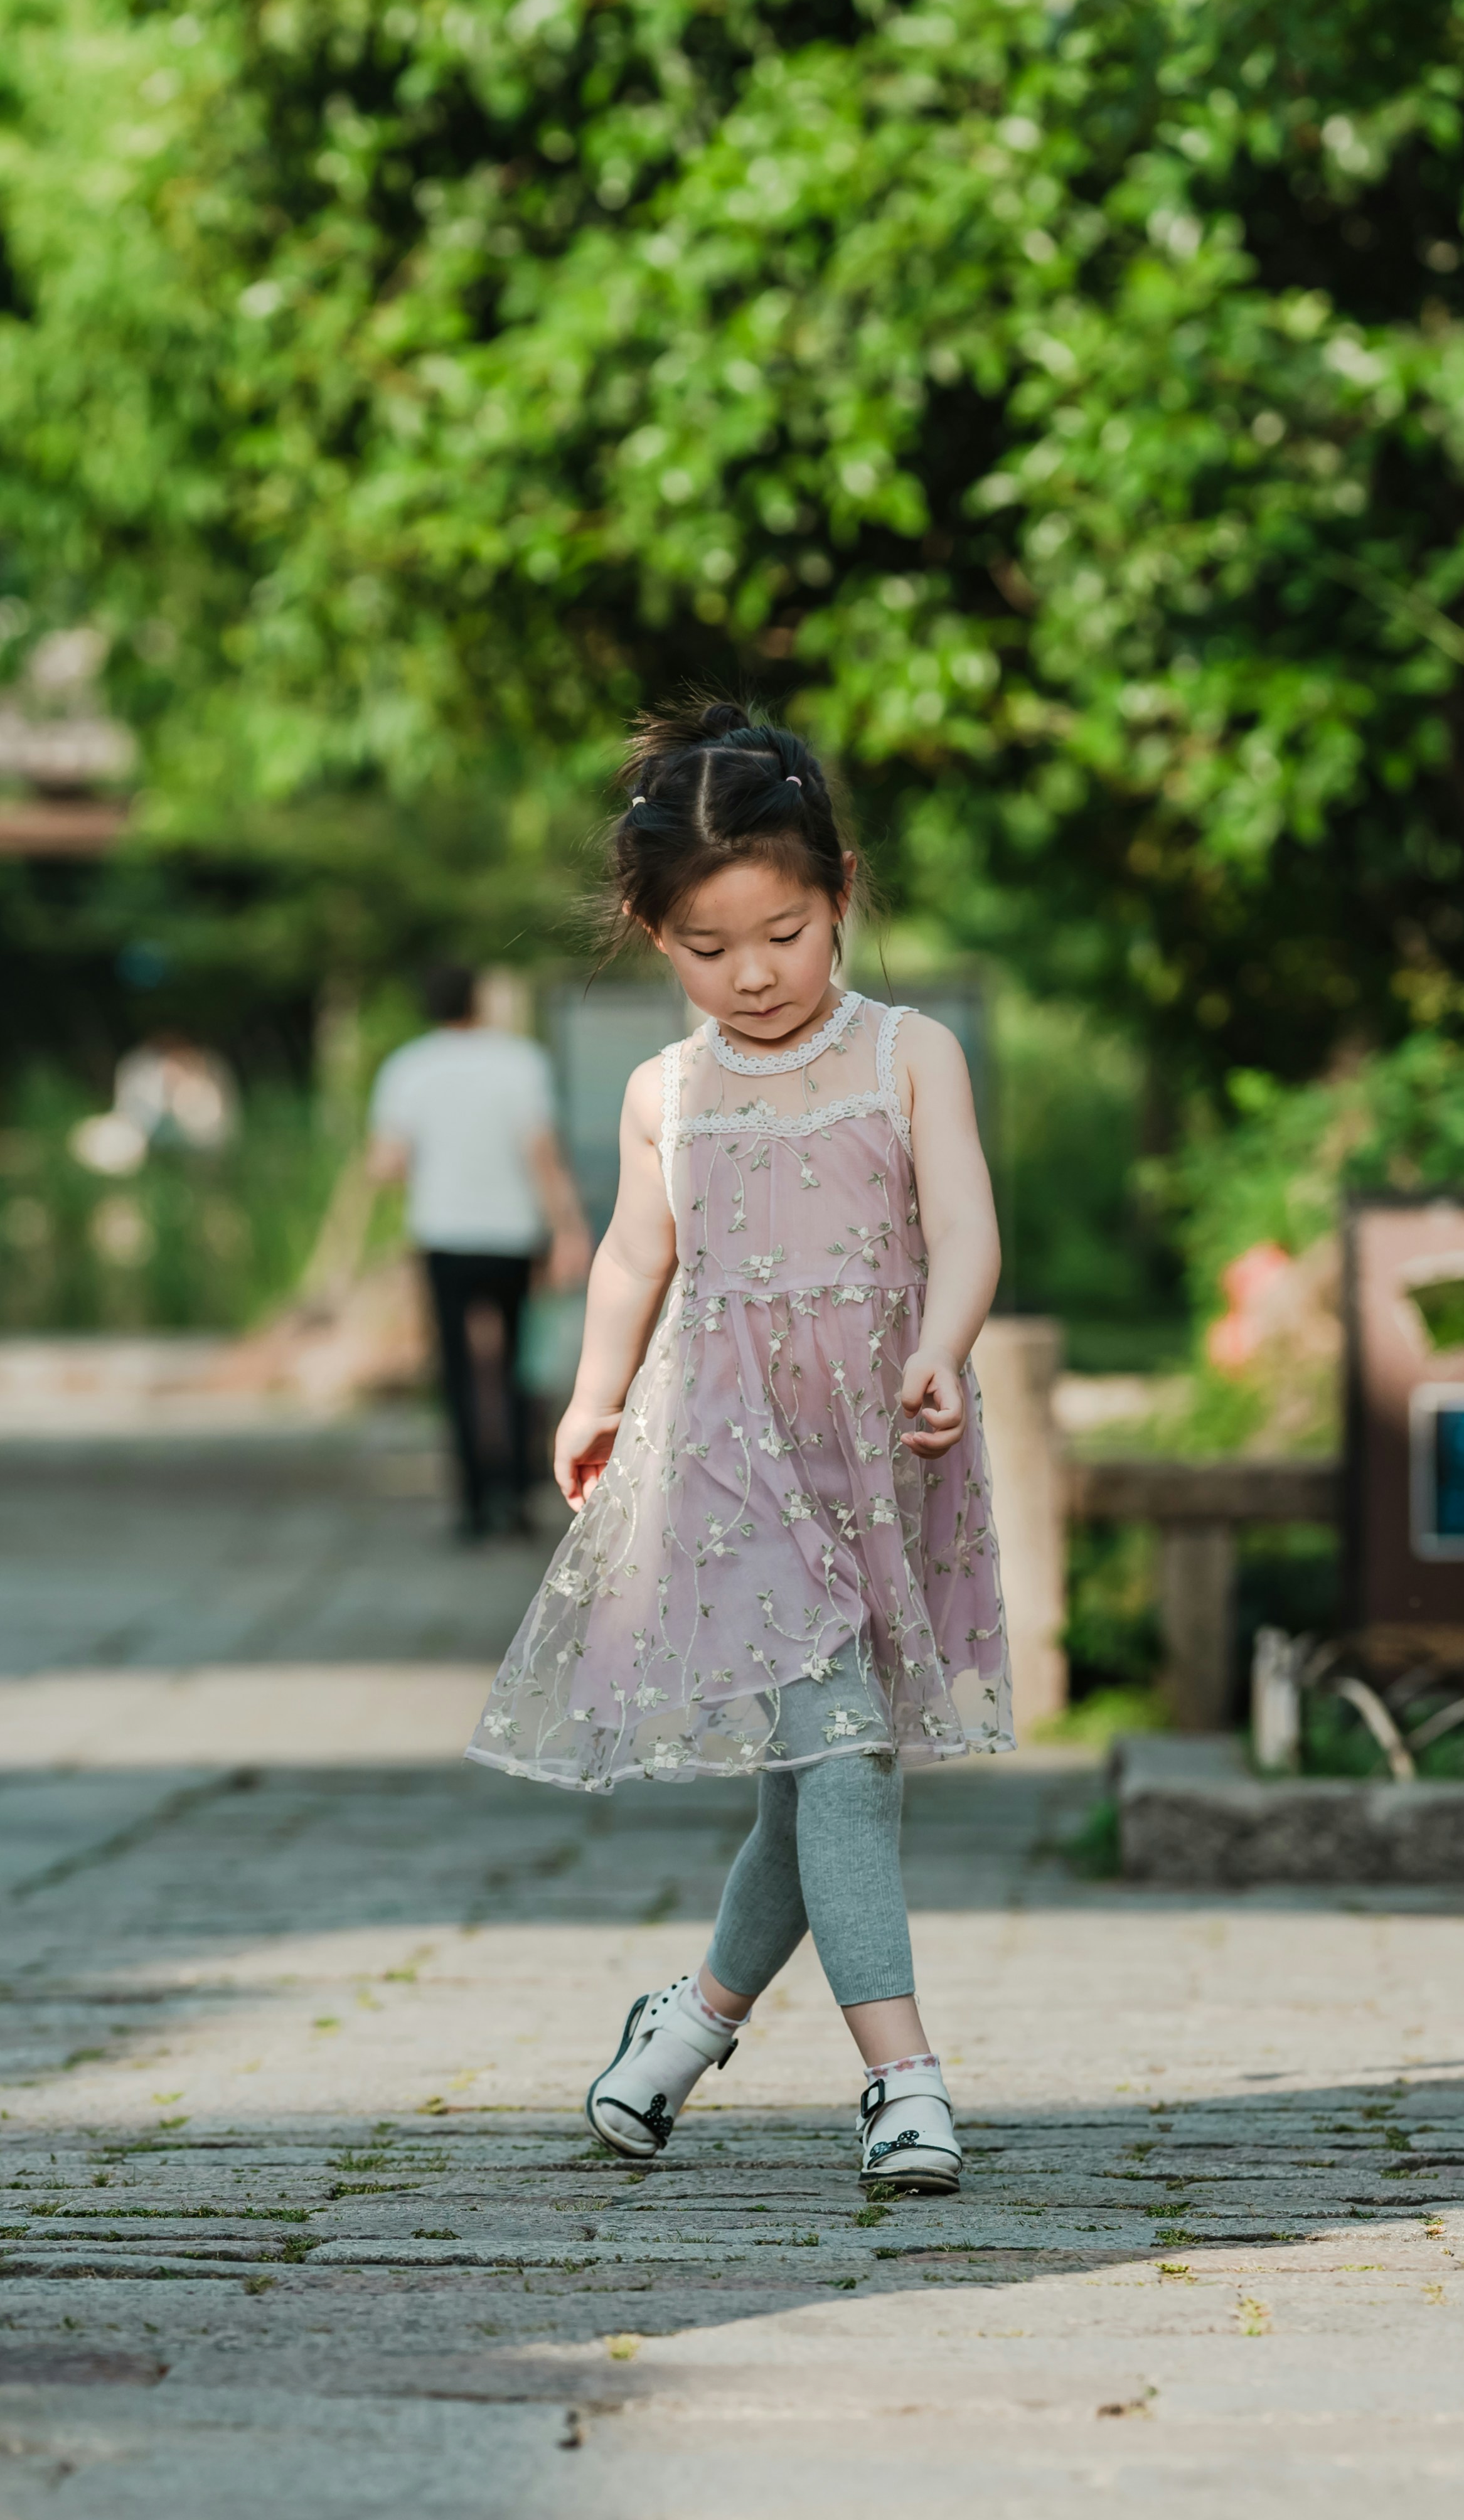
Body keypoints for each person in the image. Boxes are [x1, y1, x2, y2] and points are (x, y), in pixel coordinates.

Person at [468, 706, 1008, 2195]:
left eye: (786, 929)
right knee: (839, 1746)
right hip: (727, 1451)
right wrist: (590, 1395)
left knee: (812, 1765)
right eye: (711, 947)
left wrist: (943, 1342)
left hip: (879, 1439)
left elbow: (965, 1222)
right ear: (655, 935)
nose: (754, 972)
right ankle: (902, 2073)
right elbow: (638, 1259)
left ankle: (685, 2022)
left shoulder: (908, 1054)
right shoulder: (666, 1091)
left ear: (840, 889)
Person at [367, 965, 592, 1539]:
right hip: (514, 1235)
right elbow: (544, 1154)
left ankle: (470, 1503)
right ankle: (517, 1495)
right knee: (520, 1363)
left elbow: (386, 1163)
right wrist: (569, 1228)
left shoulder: (407, 1067)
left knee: (458, 1369)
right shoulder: (520, 1062)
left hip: (443, 1234)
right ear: (480, 1001)